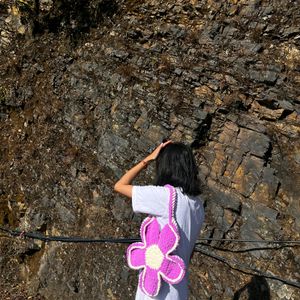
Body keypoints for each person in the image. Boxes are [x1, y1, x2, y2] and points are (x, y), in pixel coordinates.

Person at [114, 141, 205, 299]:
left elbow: (120, 185)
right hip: (179, 289)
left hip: (157, 291)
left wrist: (147, 159)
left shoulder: (165, 196)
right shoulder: (197, 204)